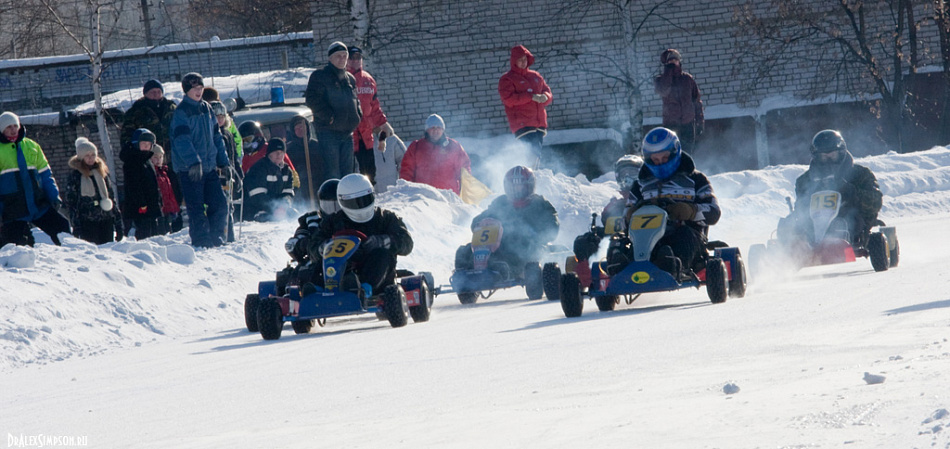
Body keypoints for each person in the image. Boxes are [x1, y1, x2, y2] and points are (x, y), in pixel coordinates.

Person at [624, 127, 720, 278]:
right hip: (647, 237)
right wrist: (630, 214)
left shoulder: (696, 179)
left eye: (664, 158)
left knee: (683, 235)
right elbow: (626, 213)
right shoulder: (640, 184)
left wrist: (691, 211)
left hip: (689, 236)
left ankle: (671, 266)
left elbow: (714, 212)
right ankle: (623, 267)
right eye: (655, 160)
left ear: (675, 153)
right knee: (623, 242)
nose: (660, 163)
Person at [306, 173, 413, 296]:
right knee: (320, 262)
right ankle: (317, 289)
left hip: (376, 275)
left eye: (364, 200)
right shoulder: (333, 221)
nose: (360, 206)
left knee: (382, 254)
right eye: (353, 202)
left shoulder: (386, 218)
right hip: (340, 271)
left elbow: (407, 242)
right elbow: (312, 246)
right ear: (342, 201)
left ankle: (362, 289)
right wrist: (327, 247)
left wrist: (381, 241)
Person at [777, 130, 883, 250]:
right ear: (816, 156)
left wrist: (853, 192)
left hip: (850, 222)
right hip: (813, 223)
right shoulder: (805, 180)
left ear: (841, 152)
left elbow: (875, 202)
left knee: (843, 221)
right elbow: (801, 208)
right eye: (823, 157)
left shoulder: (860, 174)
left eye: (832, 155)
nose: (828, 160)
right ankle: (790, 251)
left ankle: (838, 242)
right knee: (788, 225)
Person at [454, 165, 559, 279]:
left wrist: (530, 233)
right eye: (513, 186)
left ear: (529, 186)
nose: (516, 189)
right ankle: (465, 277)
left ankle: (513, 271)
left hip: (529, 247)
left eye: (520, 186)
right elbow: (477, 222)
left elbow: (552, 227)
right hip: (499, 246)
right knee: (464, 252)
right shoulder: (501, 203)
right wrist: (481, 223)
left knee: (522, 248)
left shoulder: (540, 204)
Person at [170, 72, 231, 248]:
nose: (199, 91)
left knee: (219, 205)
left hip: (209, 167)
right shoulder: (182, 112)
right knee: (196, 209)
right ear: (187, 90)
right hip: (191, 170)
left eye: (200, 87)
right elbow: (182, 141)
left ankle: (216, 238)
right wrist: (193, 161)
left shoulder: (207, 108)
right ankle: (201, 241)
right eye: (194, 88)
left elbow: (216, 137)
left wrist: (223, 161)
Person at [0, 112, 70, 247]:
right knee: (18, 247)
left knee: (63, 228)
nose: (13, 130)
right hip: (13, 208)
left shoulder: (32, 146)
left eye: (15, 126)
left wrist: (54, 196)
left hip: (38, 204)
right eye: (9, 127)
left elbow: (46, 175)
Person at [571, 154, 642, 286]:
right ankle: (588, 278)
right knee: (583, 241)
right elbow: (606, 222)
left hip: (638, 243)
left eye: (631, 174)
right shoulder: (615, 205)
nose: (627, 179)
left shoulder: (646, 201)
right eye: (623, 175)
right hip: (612, 243)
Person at [304, 41, 362, 188]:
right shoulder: (320, 76)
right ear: (330, 58)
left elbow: (355, 100)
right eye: (338, 56)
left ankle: (349, 204)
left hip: (347, 133)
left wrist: (358, 115)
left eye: (344, 56)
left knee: (348, 173)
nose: (342, 59)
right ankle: (334, 205)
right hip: (328, 133)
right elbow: (312, 100)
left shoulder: (350, 79)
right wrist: (329, 117)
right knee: (333, 173)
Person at [498, 45, 553, 168]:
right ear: (514, 61)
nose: (523, 62)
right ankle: (527, 175)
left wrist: (545, 96)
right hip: (522, 123)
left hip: (539, 124)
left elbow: (548, 92)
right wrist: (530, 96)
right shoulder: (507, 79)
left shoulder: (536, 76)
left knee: (536, 153)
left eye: (525, 59)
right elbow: (508, 99)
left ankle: (531, 174)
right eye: (520, 60)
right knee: (532, 153)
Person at [346, 45, 394, 185]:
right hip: (348, 136)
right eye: (352, 57)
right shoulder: (343, 79)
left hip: (366, 136)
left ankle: (370, 198)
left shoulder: (368, 80)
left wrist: (383, 124)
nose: (355, 61)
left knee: (369, 173)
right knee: (352, 174)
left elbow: (375, 108)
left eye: (358, 57)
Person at [63, 137, 124, 244]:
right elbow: (71, 203)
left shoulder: (102, 173)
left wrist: (118, 224)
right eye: (87, 155)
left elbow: (111, 197)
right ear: (81, 157)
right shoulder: (75, 176)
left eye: (93, 155)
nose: (91, 158)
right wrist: (76, 225)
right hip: (87, 221)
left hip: (106, 219)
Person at [399, 114, 471, 195]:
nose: (435, 131)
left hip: (449, 197)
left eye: (438, 128)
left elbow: (464, 169)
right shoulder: (416, 147)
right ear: (427, 130)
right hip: (423, 197)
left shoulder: (453, 146)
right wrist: (406, 191)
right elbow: (406, 171)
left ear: (443, 130)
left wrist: (465, 188)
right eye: (432, 128)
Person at [654, 49, 704, 154]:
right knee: (673, 153)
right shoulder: (660, 80)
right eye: (671, 61)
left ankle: (687, 170)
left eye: (675, 60)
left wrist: (699, 121)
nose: (674, 63)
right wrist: (669, 72)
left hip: (688, 123)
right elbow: (663, 90)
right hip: (671, 124)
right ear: (666, 64)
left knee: (687, 153)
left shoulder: (687, 79)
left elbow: (696, 101)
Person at [284, 178, 341, 265]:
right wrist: (308, 244)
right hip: (318, 265)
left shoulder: (349, 220)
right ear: (320, 204)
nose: (334, 211)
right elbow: (292, 245)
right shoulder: (311, 220)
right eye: (328, 206)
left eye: (338, 206)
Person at [121, 79, 177, 166]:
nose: (156, 94)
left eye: (159, 91)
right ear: (145, 94)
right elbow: (127, 136)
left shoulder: (171, 108)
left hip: (173, 159)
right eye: (152, 92)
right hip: (149, 159)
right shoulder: (136, 111)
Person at [120, 128, 163, 240]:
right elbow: (133, 186)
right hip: (139, 208)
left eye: (148, 144)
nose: (146, 147)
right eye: (143, 144)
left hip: (151, 206)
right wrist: (141, 204)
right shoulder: (132, 161)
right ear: (136, 144)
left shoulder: (147, 160)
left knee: (154, 236)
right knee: (144, 237)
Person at [242, 138, 297, 222]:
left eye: (281, 152)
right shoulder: (259, 168)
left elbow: (288, 193)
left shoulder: (287, 171)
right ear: (269, 154)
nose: (279, 155)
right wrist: (274, 209)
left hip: (278, 211)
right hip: (256, 210)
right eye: (276, 152)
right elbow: (258, 196)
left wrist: (283, 206)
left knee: (295, 215)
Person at [211, 101, 242, 241]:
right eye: (216, 116)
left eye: (222, 116)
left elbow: (234, 156)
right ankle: (220, 234)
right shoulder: (211, 136)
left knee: (230, 205)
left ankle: (230, 235)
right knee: (221, 205)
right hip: (217, 175)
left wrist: (238, 173)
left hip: (230, 174)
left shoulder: (228, 134)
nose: (220, 119)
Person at [285, 115, 320, 206]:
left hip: (316, 184)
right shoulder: (289, 149)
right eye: (297, 128)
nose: (300, 130)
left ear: (307, 128)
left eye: (302, 127)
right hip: (300, 187)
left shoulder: (316, 145)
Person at [149, 145, 183, 234]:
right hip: (159, 208)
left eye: (160, 157)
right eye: (155, 157)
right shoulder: (152, 172)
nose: (158, 160)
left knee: (169, 230)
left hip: (169, 208)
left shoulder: (166, 172)